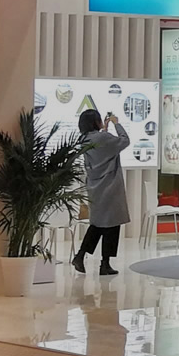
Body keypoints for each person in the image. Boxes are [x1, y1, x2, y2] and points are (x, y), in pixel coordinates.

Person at [72, 108, 131, 276]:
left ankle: (81, 255)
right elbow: (124, 141)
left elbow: (103, 147)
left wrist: (105, 129)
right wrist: (116, 124)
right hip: (110, 187)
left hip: (95, 187)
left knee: (98, 224)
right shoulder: (103, 138)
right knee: (112, 225)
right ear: (95, 122)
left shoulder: (84, 139)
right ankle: (104, 263)